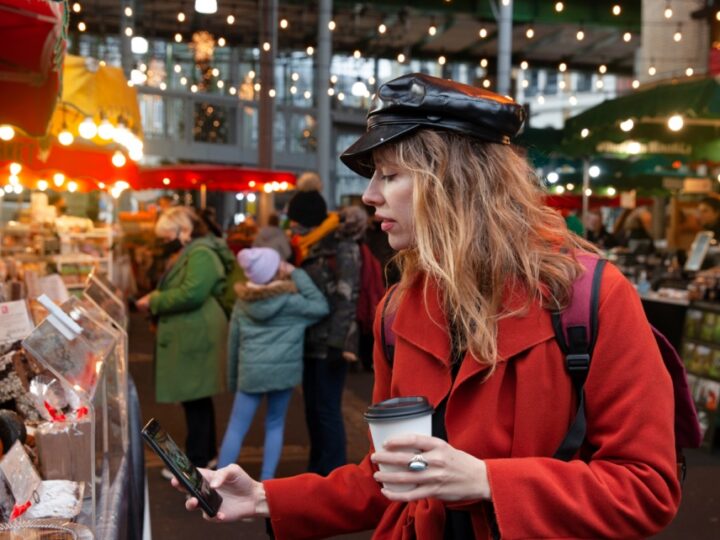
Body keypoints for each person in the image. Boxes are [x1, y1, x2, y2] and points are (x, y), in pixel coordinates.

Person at [175, 74, 680, 538]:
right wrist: (264, 497)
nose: (369, 195)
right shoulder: (398, 312)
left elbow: (647, 487)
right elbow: (390, 479)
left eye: (390, 175)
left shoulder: (592, 299)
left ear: (456, 184)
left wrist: (487, 481)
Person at [217, 247, 328, 480]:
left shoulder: (242, 304)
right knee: (275, 424)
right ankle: (266, 482)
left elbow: (233, 344)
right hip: (283, 374)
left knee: (236, 428)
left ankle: (218, 482)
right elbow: (321, 305)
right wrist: (297, 272)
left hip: (251, 373)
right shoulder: (292, 301)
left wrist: (232, 380)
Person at [136, 206, 230, 472]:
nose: (166, 243)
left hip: (197, 333)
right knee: (197, 398)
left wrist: (154, 300)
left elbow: (191, 293)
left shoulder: (201, 253)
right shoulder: (196, 251)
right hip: (195, 331)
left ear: (183, 230)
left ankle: (198, 461)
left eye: (167, 237)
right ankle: (204, 455)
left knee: (195, 398)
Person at [286, 188, 361, 475]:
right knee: (312, 409)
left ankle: (333, 473)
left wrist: (337, 342)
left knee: (327, 410)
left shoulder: (341, 245)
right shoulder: (308, 245)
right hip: (309, 339)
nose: (291, 225)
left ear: (308, 219)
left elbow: (347, 296)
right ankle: (317, 469)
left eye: (295, 219)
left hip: (331, 342)